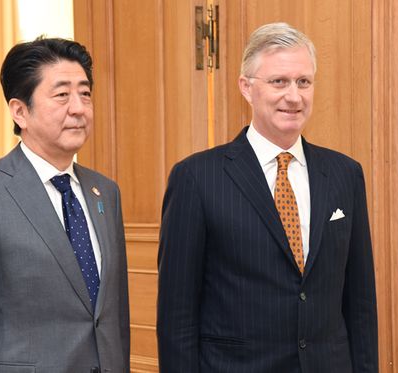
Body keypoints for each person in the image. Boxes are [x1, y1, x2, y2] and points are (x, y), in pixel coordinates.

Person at [157, 22, 378, 373]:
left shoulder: (345, 174)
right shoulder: (197, 178)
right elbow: (177, 315)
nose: (294, 96)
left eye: (303, 82)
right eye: (279, 82)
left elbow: (361, 301)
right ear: (246, 88)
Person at [0, 37, 130, 373]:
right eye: (61, 95)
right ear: (20, 111)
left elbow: (114, 318)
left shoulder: (105, 193)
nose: (79, 108)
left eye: (85, 93)